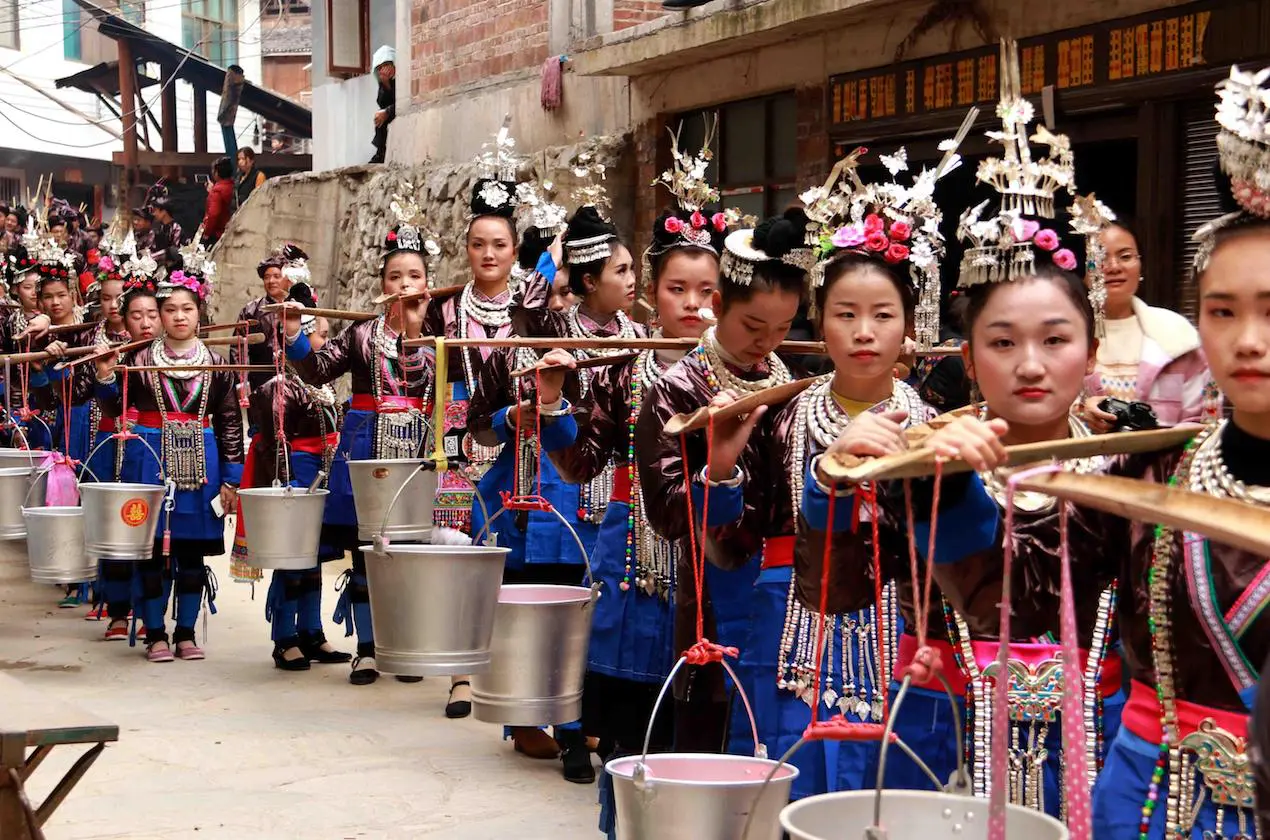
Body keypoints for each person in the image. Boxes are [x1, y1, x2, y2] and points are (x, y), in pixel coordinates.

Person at [704, 147, 963, 801]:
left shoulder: (933, 425)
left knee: (892, 789)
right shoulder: (780, 417)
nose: (865, 332)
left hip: (899, 634)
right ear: (818, 322)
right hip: (791, 630)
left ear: (910, 326)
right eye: (846, 314)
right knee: (788, 777)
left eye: (883, 315)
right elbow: (731, 547)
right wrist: (722, 470)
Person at [1080, 63, 1270, 840]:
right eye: (1221, 311)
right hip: (1155, 801)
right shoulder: (1157, 470)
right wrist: (950, 479)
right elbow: (1018, 587)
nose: (1249, 341)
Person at [547, 155, 722, 833]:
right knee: (626, 723)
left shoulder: (752, 378)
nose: (693, 304)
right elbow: (580, 461)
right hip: (630, 553)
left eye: (708, 291)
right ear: (652, 291)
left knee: (696, 715)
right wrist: (556, 401)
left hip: (706, 555)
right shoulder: (623, 373)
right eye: (678, 288)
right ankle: (621, 823)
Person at [635, 208, 811, 754]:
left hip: (786, 588)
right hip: (715, 580)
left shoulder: (794, 387)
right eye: (753, 327)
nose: (767, 342)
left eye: (783, 329)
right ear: (718, 307)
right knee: (712, 723)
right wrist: (719, 474)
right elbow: (666, 514)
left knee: (774, 729)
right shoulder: (675, 390)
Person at [282, 214, 432, 687]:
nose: (404, 284)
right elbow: (317, 369)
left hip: (417, 451)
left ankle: (404, 647)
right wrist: (293, 335)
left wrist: (415, 331)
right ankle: (367, 649)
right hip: (367, 448)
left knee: (409, 556)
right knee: (368, 551)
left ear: (428, 284)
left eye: (414, 276)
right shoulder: (361, 334)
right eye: (394, 276)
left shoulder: (439, 337)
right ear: (381, 284)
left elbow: (439, 383)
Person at [93, 266, 243, 662]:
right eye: (171, 309)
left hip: (202, 466)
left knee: (191, 554)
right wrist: (107, 377)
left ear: (200, 313)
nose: (179, 316)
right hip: (150, 460)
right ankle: (155, 633)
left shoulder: (216, 362)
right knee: (153, 553)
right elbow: (114, 407)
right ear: (159, 315)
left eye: (187, 308)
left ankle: (187, 633)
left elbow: (229, 423)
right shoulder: (138, 359)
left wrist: (231, 480)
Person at [242, 284, 352, 671]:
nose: (325, 340)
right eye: (320, 333)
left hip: (321, 478)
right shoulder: (278, 386)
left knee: (314, 560)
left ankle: (313, 631)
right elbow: (273, 445)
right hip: (294, 480)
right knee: (293, 559)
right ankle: (284, 637)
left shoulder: (320, 386)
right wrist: (287, 489)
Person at [1080, 219, 1212, 430]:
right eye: (1100, 258)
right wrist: (1080, 412)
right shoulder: (1063, 337)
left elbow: (1204, 420)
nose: (1114, 267)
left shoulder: (1177, 333)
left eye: (1125, 256)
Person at [234, 244, 305, 394]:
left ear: (287, 279)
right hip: (259, 380)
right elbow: (239, 347)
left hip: (295, 380)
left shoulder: (301, 308)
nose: (271, 281)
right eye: (266, 277)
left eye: (276, 276)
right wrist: (242, 380)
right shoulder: (251, 310)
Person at [200, 157, 236, 246]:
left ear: (217, 173)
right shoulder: (234, 186)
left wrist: (206, 233)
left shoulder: (217, 191)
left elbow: (213, 214)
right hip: (232, 230)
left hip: (217, 234)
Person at [370, 45, 396, 164]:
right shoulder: (384, 82)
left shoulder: (402, 78)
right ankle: (380, 151)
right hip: (391, 111)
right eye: (380, 68)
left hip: (399, 109)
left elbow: (401, 102)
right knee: (379, 115)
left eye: (386, 65)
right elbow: (381, 102)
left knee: (383, 113)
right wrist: (386, 84)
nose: (383, 70)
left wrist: (387, 112)